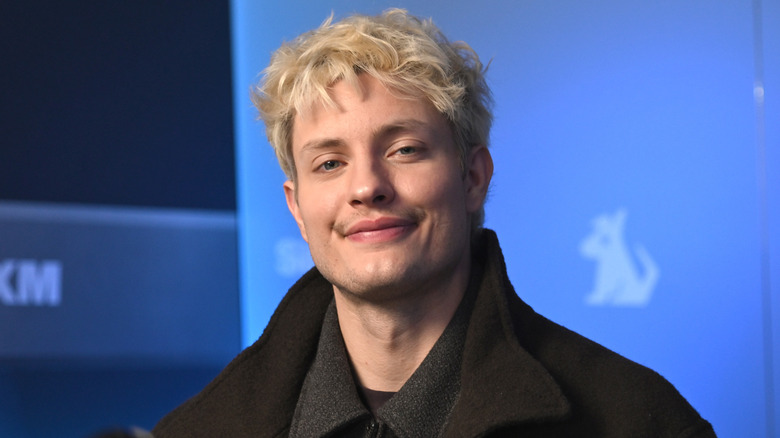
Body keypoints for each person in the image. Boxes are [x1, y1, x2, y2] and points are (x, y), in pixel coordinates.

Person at [153, 9, 716, 437]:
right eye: (330, 163)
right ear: (298, 208)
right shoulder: (197, 429)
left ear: (473, 177)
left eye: (404, 149)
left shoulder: (638, 419)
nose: (366, 186)